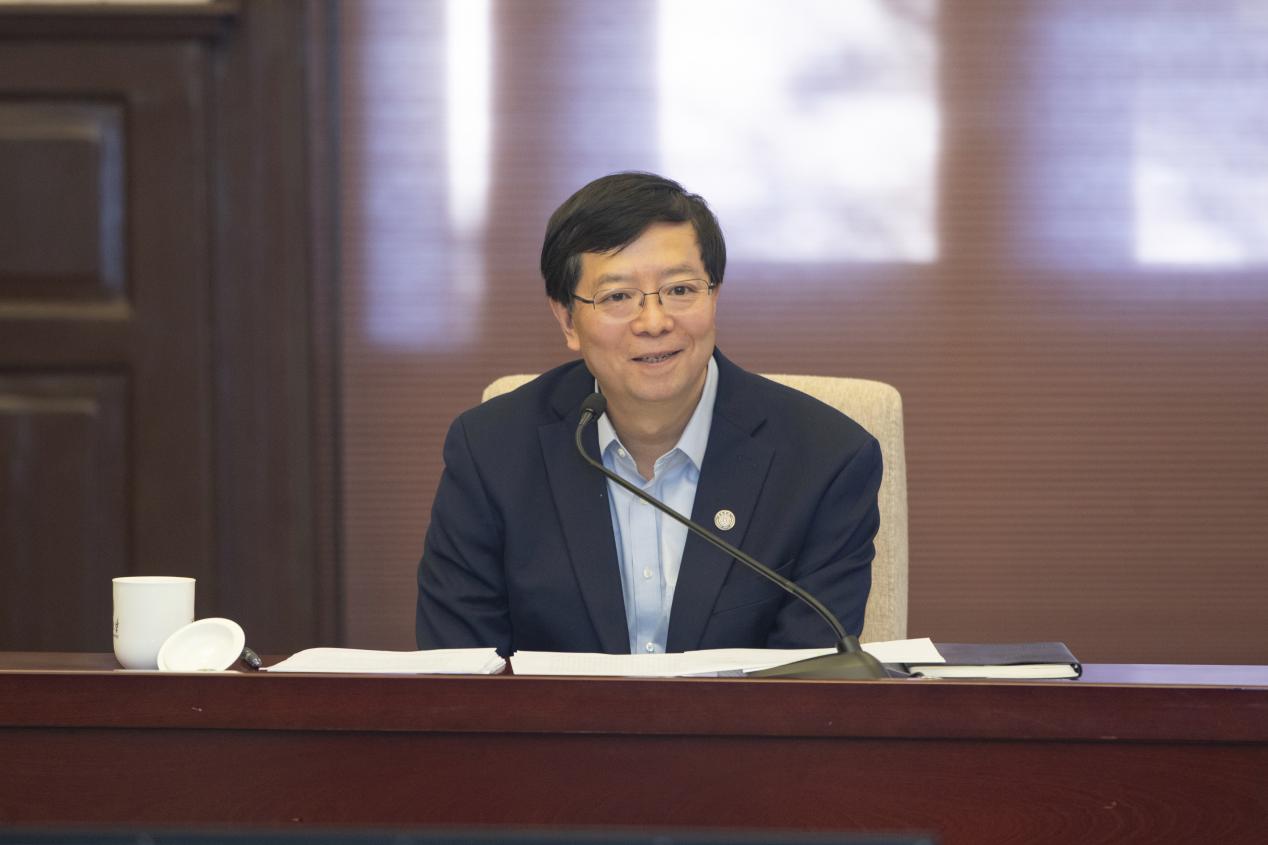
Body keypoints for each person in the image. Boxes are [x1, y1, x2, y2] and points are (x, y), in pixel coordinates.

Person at [416, 172, 882, 656]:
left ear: (714, 296)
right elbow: (461, 671)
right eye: (617, 297)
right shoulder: (491, 453)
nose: (654, 322)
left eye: (680, 290)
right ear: (567, 319)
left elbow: (807, 682)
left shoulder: (825, 461)